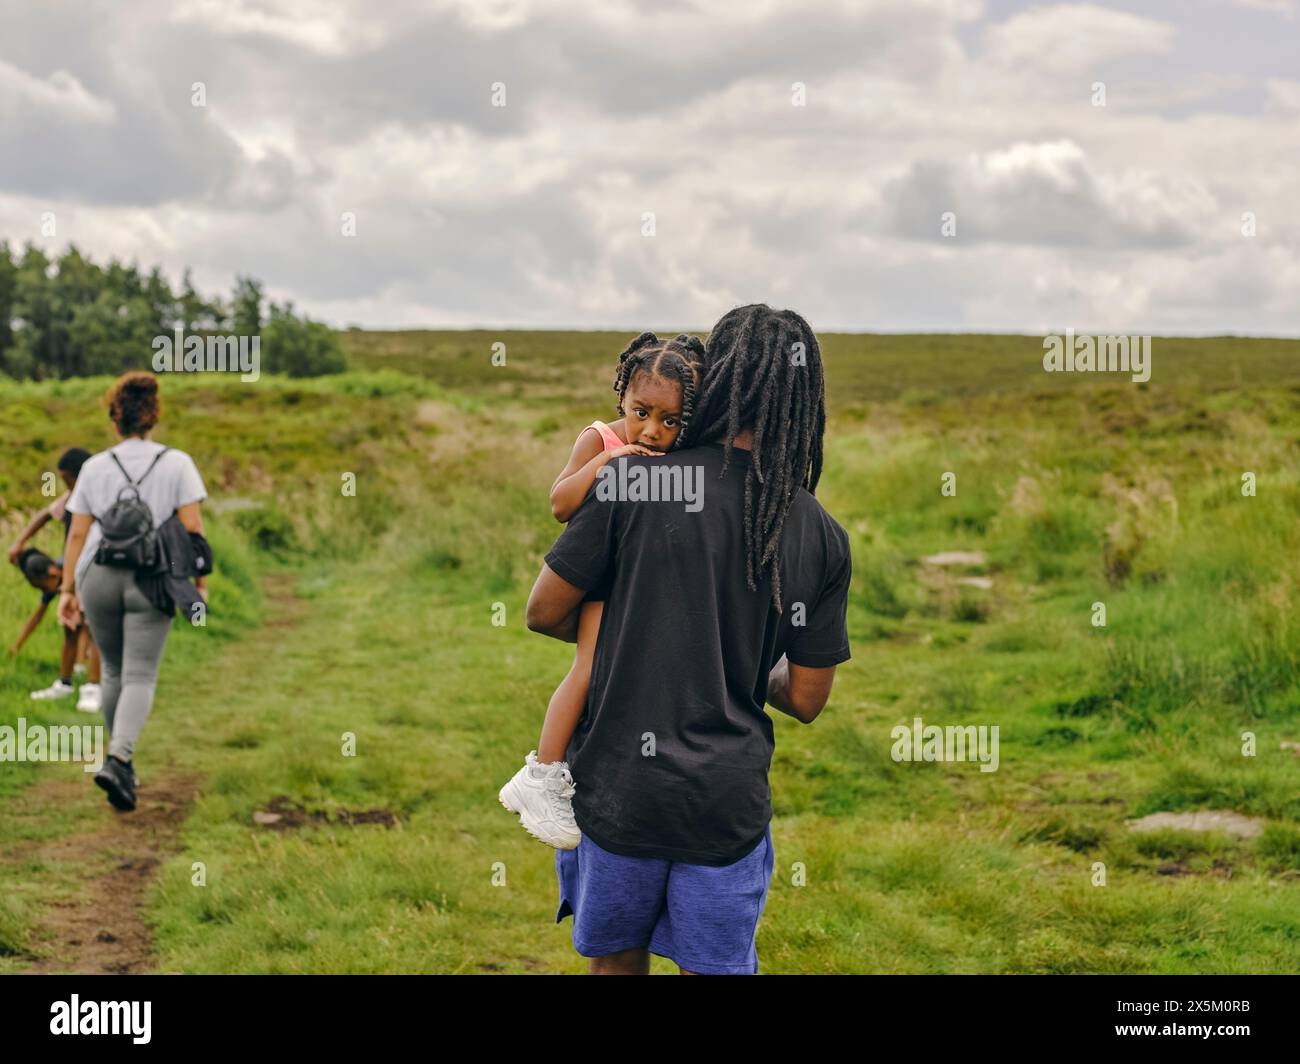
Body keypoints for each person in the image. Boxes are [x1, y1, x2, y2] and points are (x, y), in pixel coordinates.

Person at [525, 304, 852, 975]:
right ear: (805, 400)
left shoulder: (637, 479)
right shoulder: (819, 530)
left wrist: (630, 638)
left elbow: (543, 611)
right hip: (723, 806)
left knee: (616, 965)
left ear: (715, 380)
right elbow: (809, 697)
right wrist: (737, 657)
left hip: (619, 787)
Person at [499, 333, 704, 849]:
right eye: (641, 413)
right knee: (590, 665)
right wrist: (608, 464)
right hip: (604, 578)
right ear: (622, 400)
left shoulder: (681, 452)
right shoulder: (601, 440)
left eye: (670, 421)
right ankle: (542, 773)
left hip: (646, 580)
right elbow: (560, 503)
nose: (653, 431)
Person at [58, 372, 208, 812]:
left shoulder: (94, 467)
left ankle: (122, 764)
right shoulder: (177, 463)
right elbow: (192, 528)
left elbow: (76, 534)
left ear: (114, 419)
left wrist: (68, 590)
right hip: (153, 576)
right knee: (141, 673)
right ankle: (119, 758)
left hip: (98, 576)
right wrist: (197, 583)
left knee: (113, 673)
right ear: (153, 417)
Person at [8, 447, 103, 710]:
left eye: (68, 479)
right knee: (70, 626)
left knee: (95, 628)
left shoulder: (101, 496)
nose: (66, 485)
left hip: (97, 568)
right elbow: (44, 516)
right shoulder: (72, 498)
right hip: (74, 569)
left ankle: (94, 687)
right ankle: (64, 682)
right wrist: (19, 542)